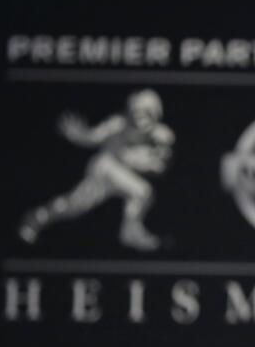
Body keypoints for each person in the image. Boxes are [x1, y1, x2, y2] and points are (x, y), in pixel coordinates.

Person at [19, 88, 174, 251]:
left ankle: (38, 216)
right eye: (137, 110)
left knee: (76, 206)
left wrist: (150, 161)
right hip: (105, 169)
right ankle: (35, 219)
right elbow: (93, 137)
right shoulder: (118, 123)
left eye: (147, 112)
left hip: (120, 178)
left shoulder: (163, 137)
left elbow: (160, 167)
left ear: (157, 113)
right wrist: (79, 135)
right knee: (140, 192)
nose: (140, 116)